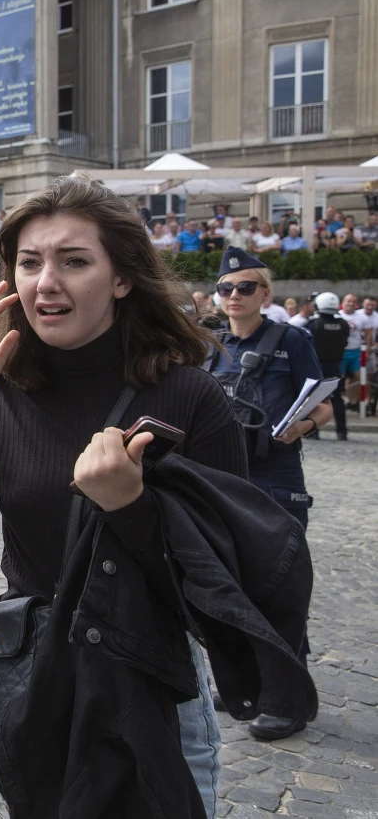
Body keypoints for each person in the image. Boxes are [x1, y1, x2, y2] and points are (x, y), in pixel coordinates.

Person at [0, 178, 247, 816]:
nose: (45, 282)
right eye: (29, 263)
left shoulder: (188, 396)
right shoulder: (2, 392)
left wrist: (132, 508)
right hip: (31, 679)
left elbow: (226, 591)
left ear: (122, 278)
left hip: (154, 683)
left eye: (74, 262)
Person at [207, 247, 329, 740]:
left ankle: (289, 701)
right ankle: (251, 682)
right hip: (223, 476)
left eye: (245, 287)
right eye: (225, 289)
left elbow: (322, 399)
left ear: (265, 293)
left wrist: (302, 427)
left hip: (276, 476)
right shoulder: (210, 343)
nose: (234, 296)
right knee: (232, 583)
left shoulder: (291, 340)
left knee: (279, 586)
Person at [307, 293, 350, 441]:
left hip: (316, 365)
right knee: (337, 399)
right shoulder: (343, 324)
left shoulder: (314, 323)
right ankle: (342, 431)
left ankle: (312, 431)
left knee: (313, 399)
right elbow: (345, 343)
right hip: (335, 366)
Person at [338, 293, 365, 412]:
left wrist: (367, 348)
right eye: (348, 301)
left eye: (353, 302)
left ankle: (352, 400)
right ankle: (338, 400)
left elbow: (368, 332)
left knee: (358, 376)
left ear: (357, 304)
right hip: (341, 351)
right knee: (339, 377)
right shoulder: (337, 316)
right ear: (343, 303)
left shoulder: (360, 317)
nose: (350, 304)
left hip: (356, 351)